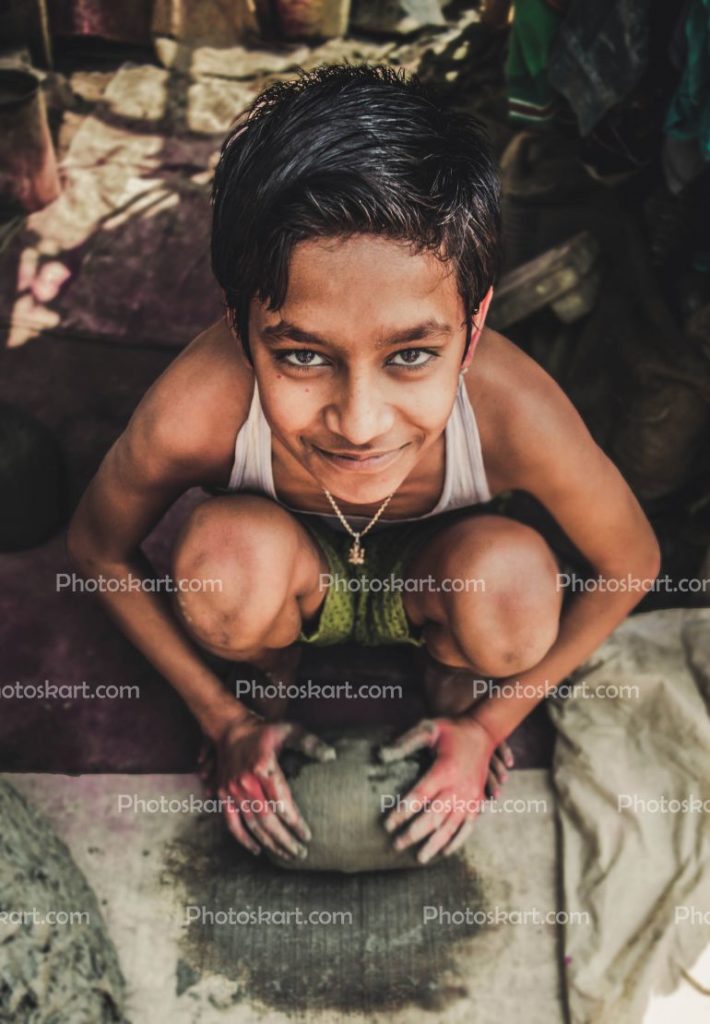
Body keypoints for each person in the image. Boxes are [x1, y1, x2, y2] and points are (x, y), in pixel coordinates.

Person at [68, 63, 660, 866]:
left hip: (440, 578)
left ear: (473, 327)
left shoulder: (515, 412)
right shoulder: (196, 407)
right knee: (220, 570)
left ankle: (452, 684)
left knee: (515, 593)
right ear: (241, 325)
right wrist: (222, 718)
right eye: (304, 355)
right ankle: (269, 674)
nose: (360, 422)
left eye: (412, 354)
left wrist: (490, 724)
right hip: (285, 571)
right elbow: (96, 547)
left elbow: (631, 561)